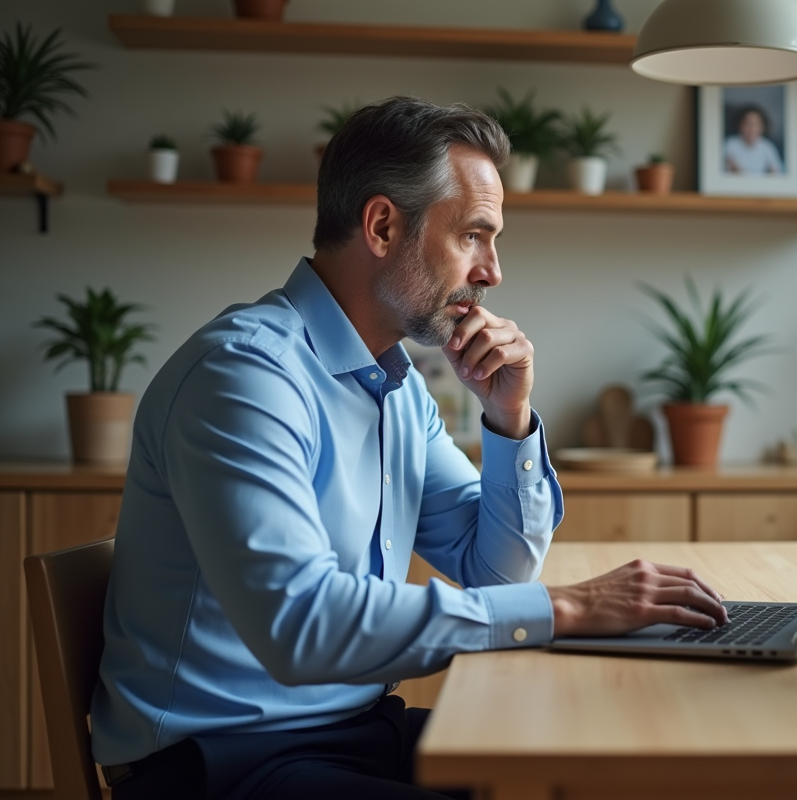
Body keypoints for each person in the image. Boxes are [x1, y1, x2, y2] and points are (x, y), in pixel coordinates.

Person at [91, 96, 729, 800]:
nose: (492, 271)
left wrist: (507, 420)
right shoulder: (244, 377)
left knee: (612, 757)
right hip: (220, 764)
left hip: (353, 731)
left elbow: (497, 575)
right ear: (383, 225)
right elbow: (300, 624)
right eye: (474, 236)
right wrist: (569, 608)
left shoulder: (397, 388)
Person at [723, 104, 784, 175]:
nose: (751, 128)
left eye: (756, 124)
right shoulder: (730, 144)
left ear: (762, 128)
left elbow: (777, 171)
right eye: (748, 124)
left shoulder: (767, 147)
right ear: (740, 125)